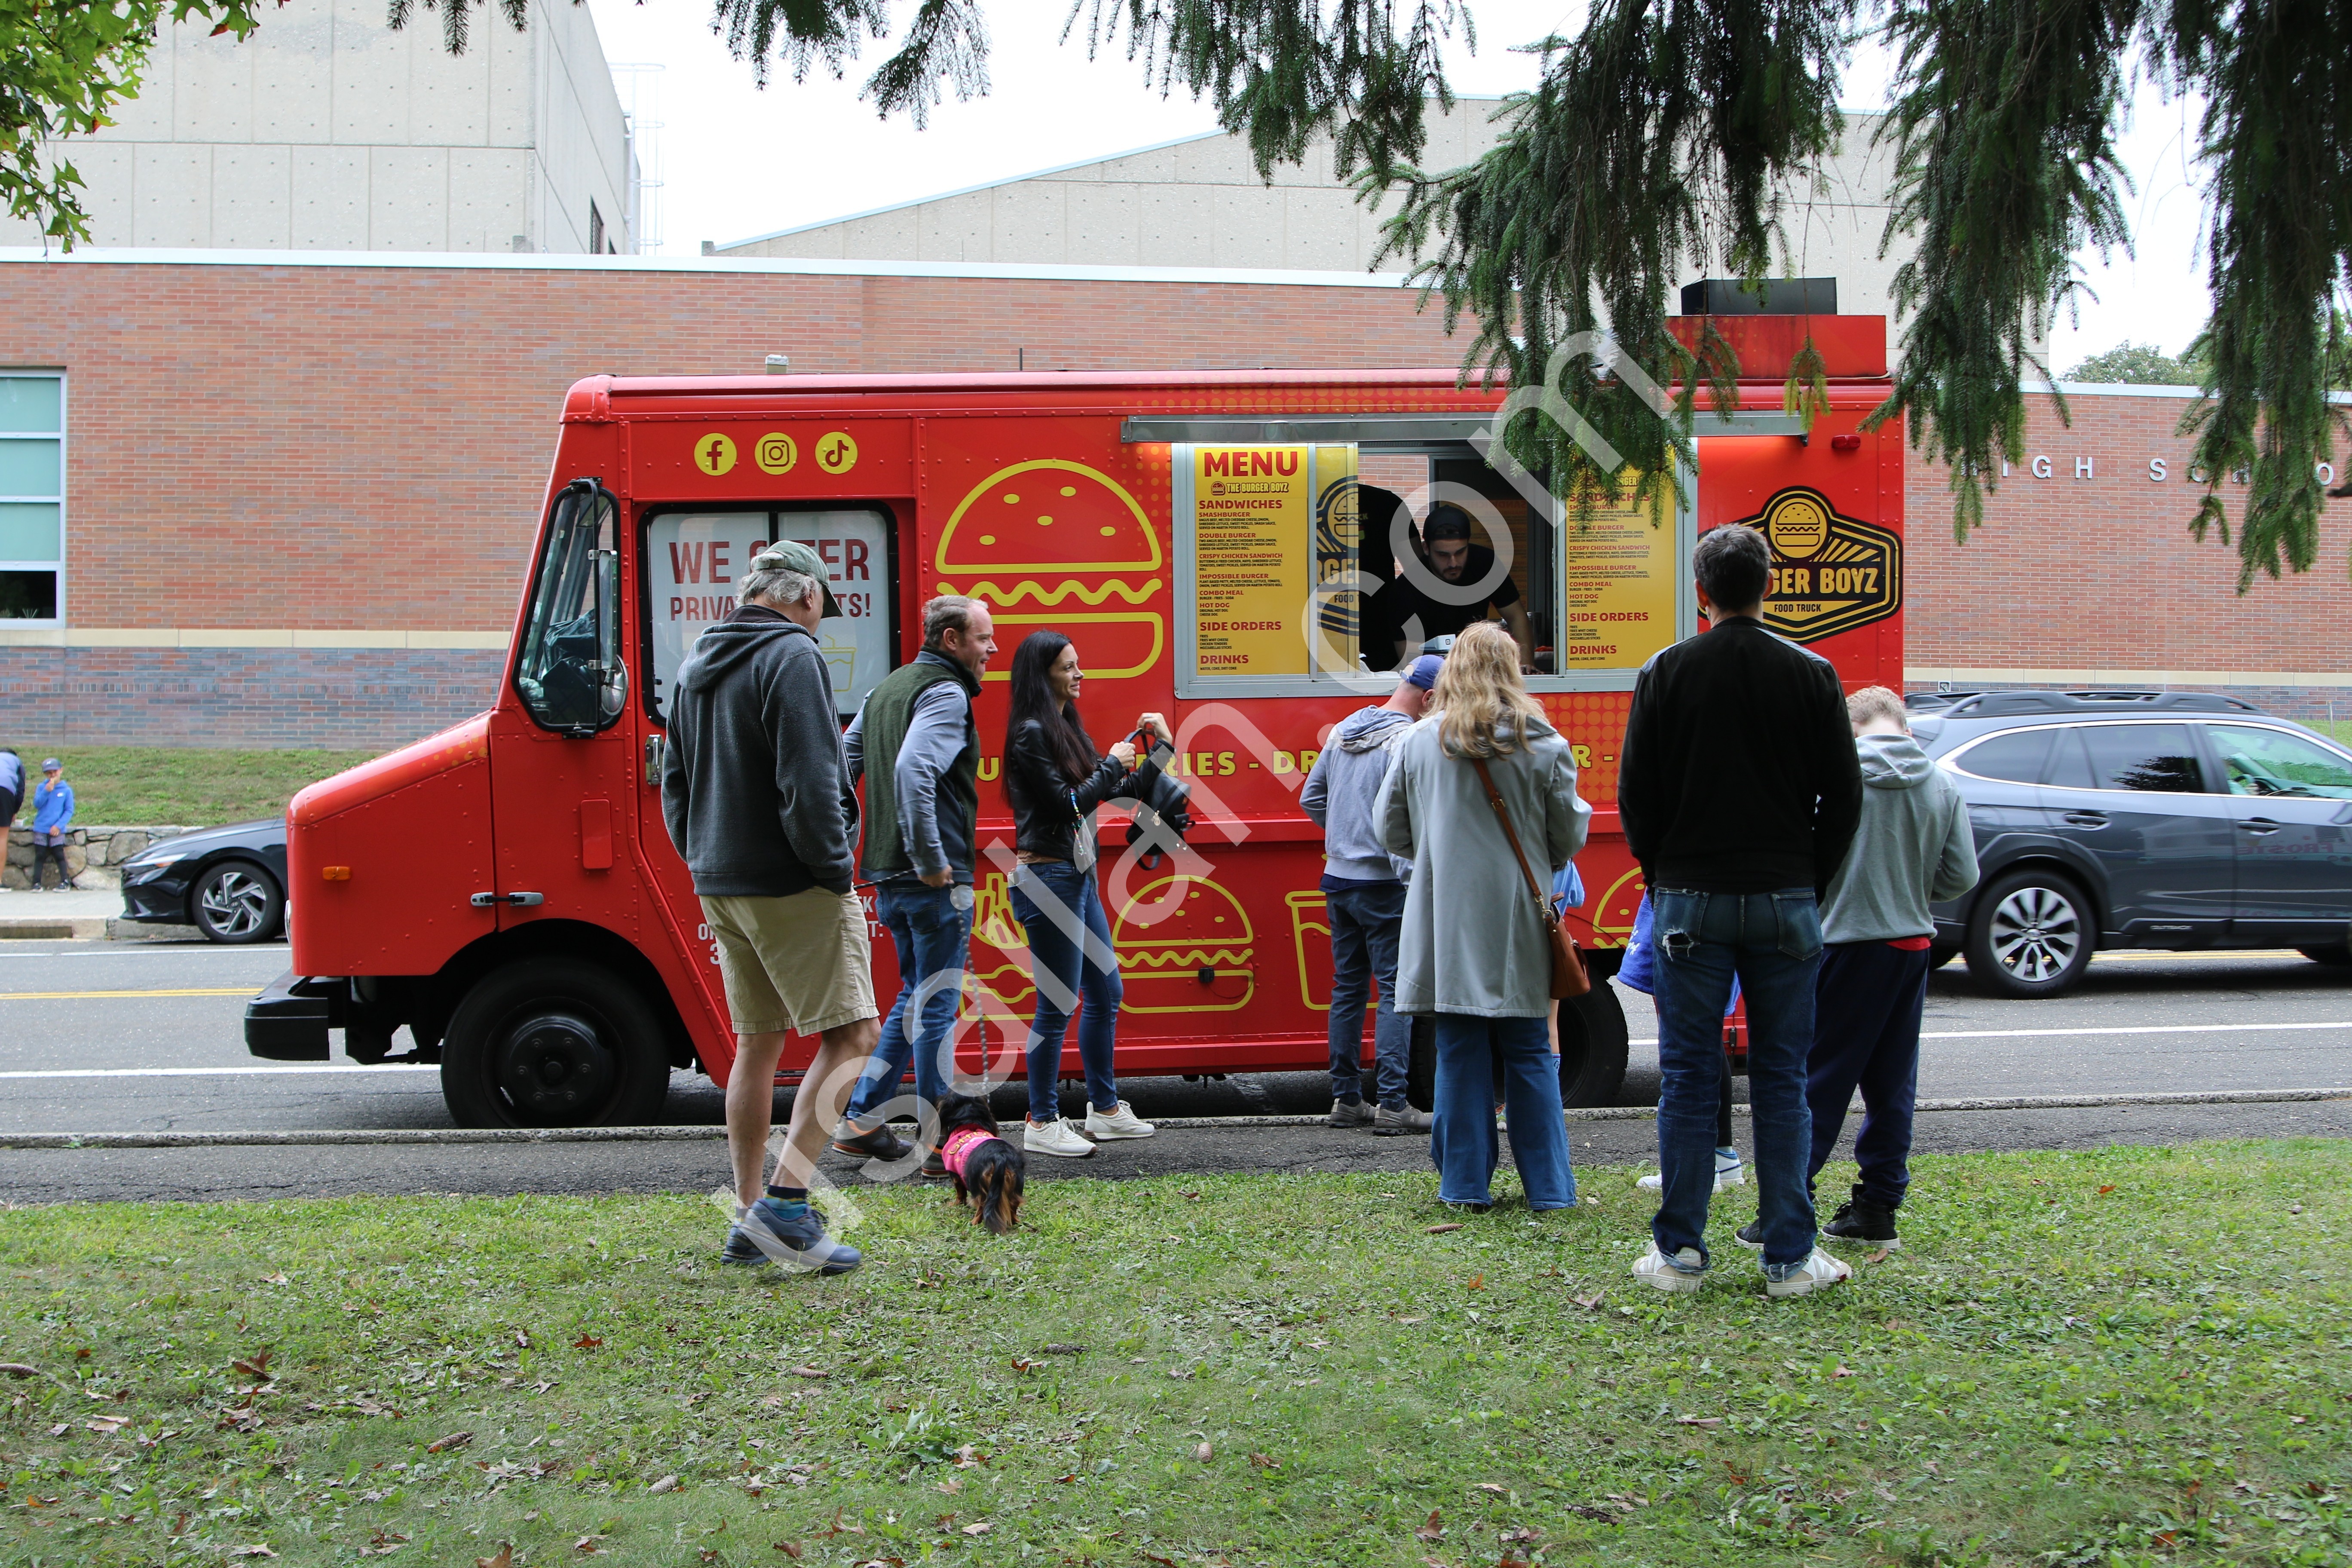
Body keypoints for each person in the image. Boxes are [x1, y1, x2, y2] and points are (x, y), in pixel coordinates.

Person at [1618, 523, 1862, 1298]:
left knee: (1689, 1074)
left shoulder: (1664, 671)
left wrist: (1667, 878)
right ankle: (1790, 1255)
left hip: (1690, 897)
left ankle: (1680, 1253)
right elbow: (1844, 799)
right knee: (1782, 1075)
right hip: (1787, 896)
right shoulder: (1813, 673)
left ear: (1701, 593)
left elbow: (1636, 798)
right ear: (1768, 584)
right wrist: (1808, 880)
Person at [660, 540, 879, 1274]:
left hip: (719, 879)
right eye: (824, 608)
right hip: (792, 881)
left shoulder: (698, 661)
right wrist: (834, 868)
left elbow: (675, 782)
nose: (822, 623)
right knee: (854, 1035)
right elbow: (812, 783)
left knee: (757, 1043)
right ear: (807, 596)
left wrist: (702, 857)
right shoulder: (793, 656)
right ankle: (786, 1207)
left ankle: (749, 1210)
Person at [1376, 621, 1589, 1211]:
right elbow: (1567, 835)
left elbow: (1388, 829)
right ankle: (1550, 1189)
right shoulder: (1542, 741)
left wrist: (1441, 855)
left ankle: (1464, 1186)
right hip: (1519, 913)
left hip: (1444, 915)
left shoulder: (1419, 741)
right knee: (1528, 1050)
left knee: (1459, 1050)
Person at [1768, 684, 1978, 1251]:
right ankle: (1878, 1206)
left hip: (1844, 944)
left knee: (1819, 1079)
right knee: (1892, 1084)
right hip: (1911, 945)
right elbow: (1961, 878)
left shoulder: (1834, 778)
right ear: (1905, 728)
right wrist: (1909, 888)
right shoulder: (1941, 783)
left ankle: (1787, 1206)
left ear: (1852, 729)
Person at [831, 595, 999, 1174]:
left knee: (912, 998)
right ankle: (939, 1141)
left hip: (883, 873)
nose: (991, 650)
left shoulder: (885, 690)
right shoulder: (946, 693)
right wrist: (929, 857)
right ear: (951, 640)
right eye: (983, 638)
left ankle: (860, 1122)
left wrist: (856, 842)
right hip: (932, 878)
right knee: (936, 1006)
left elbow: (842, 765)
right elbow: (913, 770)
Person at [1001, 630, 1171, 1158]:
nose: (1080, 675)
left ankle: (1104, 1109)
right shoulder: (1030, 732)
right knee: (1057, 1004)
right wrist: (1111, 765)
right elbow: (1067, 806)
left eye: (1079, 665)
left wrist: (1162, 748)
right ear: (1042, 673)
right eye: (1069, 667)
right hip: (1047, 878)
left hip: (1075, 876)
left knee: (1106, 991)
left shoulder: (1063, 725)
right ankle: (1041, 1119)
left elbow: (1119, 792)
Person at [1301, 652, 1442, 1135]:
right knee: (1396, 993)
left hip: (1337, 880)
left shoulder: (1343, 730)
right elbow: (1406, 819)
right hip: (1384, 885)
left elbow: (1310, 798)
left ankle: (1346, 1099)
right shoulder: (1407, 740)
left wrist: (1342, 837)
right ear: (1427, 698)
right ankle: (1393, 1104)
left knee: (1348, 989)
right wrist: (1413, 880)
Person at [1618, 893, 1744, 1192]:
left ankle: (1695, 1166)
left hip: (1682, 902)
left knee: (1684, 1043)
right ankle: (1721, 1156)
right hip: (1731, 905)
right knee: (1707, 1036)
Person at [1373, 502, 1537, 671]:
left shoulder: (1485, 565)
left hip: (1480, 665)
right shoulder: (1406, 590)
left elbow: (1516, 617)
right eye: (1443, 555)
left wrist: (1525, 666)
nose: (1453, 563)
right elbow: (1411, 659)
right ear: (1426, 549)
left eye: (1460, 552)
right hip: (1433, 675)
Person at [29, 758, 77, 891]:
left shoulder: (66, 790)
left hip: (57, 828)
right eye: (48, 773)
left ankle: (65, 882)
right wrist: (46, 791)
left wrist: (59, 826)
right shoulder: (41, 787)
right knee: (40, 855)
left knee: (59, 854)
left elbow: (69, 810)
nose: (52, 775)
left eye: (54, 772)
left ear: (61, 771)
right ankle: (36, 883)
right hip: (41, 827)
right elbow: (37, 804)